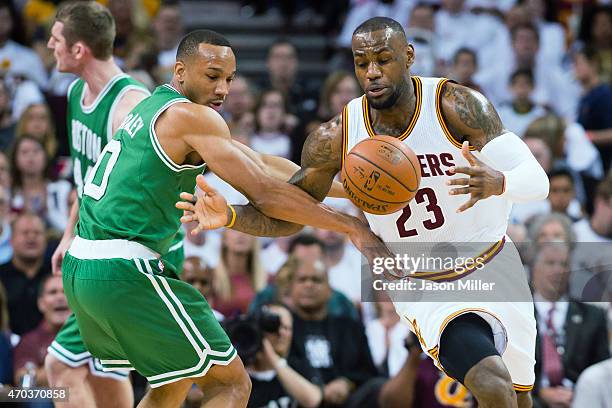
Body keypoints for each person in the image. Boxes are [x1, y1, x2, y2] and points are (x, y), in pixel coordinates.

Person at [186, 17, 550, 407]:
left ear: (408, 57)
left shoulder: (455, 106)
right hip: (422, 282)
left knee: (518, 396)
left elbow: (537, 180)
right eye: (362, 63)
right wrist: (233, 217)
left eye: (383, 59)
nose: (372, 72)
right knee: (491, 384)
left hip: (493, 262)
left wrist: (500, 183)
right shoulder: (338, 137)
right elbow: (292, 213)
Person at [62, 28, 387, 407]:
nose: (223, 89)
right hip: (122, 268)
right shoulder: (191, 117)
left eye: (229, 79)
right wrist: (351, 225)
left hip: (85, 266)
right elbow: (265, 193)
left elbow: (263, 163)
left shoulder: (155, 106)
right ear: (180, 71)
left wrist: (353, 189)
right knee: (232, 385)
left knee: (172, 387)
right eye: (212, 76)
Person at [530, 242, 610, 408]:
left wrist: (583, 392)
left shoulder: (593, 316)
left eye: (564, 264)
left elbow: (603, 370)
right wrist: (540, 391)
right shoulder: (517, 314)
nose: (558, 270)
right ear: (534, 269)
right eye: (550, 263)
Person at [246, 303, 323, 408]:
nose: (281, 332)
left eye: (287, 328)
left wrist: (273, 358)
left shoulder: (298, 365)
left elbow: (313, 400)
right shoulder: (241, 371)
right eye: (274, 326)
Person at [13, 274, 70, 387]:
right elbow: (23, 382)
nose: (60, 297)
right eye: (52, 292)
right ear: (41, 303)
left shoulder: (92, 337)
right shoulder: (29, 341)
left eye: (66, 292)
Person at [0, 213, 50, 336]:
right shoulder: (1, 276)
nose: (31, 238)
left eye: (37, 233)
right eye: (25, 233)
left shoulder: (57, 274)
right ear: (11, 240)